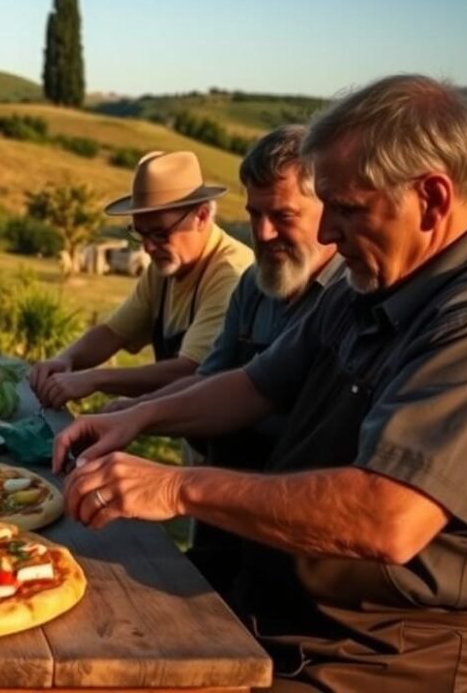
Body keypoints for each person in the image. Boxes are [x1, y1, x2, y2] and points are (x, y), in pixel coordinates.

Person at [54, 74, 467, 690]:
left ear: (433, 200)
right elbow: (253, 384)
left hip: (371, 658)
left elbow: (388, 518)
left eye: (348, 210)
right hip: (272, 606)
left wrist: (177, 488)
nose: (328, 235)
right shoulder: (369, 286)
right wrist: (137, 419)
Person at [100, 126, 344, 598]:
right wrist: (126, 417)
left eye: (283, 215)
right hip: (225, 519)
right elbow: (214, 380)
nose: (264, 232)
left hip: (299, 548)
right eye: (255, 214)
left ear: (329, 209)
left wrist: (137, 419)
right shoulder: (255, 285)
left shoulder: (347, 298)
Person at [28, 151, 252, 408]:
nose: (148, 248)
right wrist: (67, 359)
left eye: (159, 233)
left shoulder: (231, 276)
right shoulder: (164, 269)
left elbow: (191, 371)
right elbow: (115, 332)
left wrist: (95, 380)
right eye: (141, 234)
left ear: (201, 216)